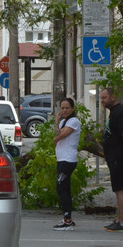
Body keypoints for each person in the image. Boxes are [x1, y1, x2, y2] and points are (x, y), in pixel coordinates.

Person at [100, 88, 123, 232]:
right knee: (118, 188)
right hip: (115, 156)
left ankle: (122, 223)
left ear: (112, 97)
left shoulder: (120, 112)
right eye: (101, 98)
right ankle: (119, 220)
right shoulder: (115, 112)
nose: (102, 101)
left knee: (121, 188)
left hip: (121, 157)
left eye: (104, 98)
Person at [53, 97, 82, 230]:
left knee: (61, 188)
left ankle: (67, 220)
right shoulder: (64, 121)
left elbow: (60, 136)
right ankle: (68, 218)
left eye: (67, 108)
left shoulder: (74, 121)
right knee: (65, 188)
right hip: (61, 158)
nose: (64, 110)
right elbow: (57, 135)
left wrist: (57, 135)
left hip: (68, 159)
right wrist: (57, 121)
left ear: (73, 109)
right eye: (62, 108)